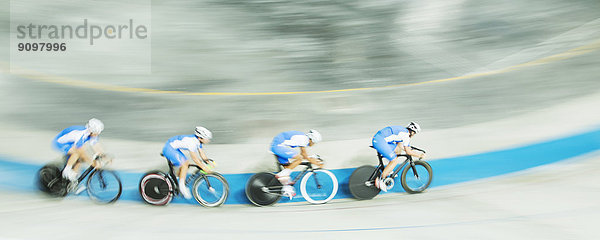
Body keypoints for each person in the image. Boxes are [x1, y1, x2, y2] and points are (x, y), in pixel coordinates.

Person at [162, 126, 215, 199]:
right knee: (185, 164)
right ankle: (182, 187)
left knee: (185, 164)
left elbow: (201, 153)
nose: (208, 140)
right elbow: (195, 159)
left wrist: (208, 162)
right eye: (207, 139)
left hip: (174, 148)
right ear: (200, 138)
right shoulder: (192, 142)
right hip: (169, 148)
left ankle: (175, 180)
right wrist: (204, 168)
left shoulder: (198, 141)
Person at [372, 122, 426, 192]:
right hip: (380, 141)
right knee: (394, 160)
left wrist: (408, 149)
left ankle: (389, 169)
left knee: (397, 150)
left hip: (378, 139)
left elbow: (400, 146)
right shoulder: (406, 135)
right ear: (412, 132)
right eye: (415, 133)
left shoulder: (403, 131)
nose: (414, 135)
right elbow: (408, 152)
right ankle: (380, 180)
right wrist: (420, 155)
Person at [271, 129, 324, 199]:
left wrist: (311, 159)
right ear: (312, 139)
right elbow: (304, 155)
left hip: (277, 146)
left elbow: (304, 154)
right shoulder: (304, 139)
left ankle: (286, 188)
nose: (313, 144)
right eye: (314, 143)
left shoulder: (302, 138)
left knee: (288, 167)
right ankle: (282, 175)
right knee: (299, 159)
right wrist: (317, 163)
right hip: (278, 146)